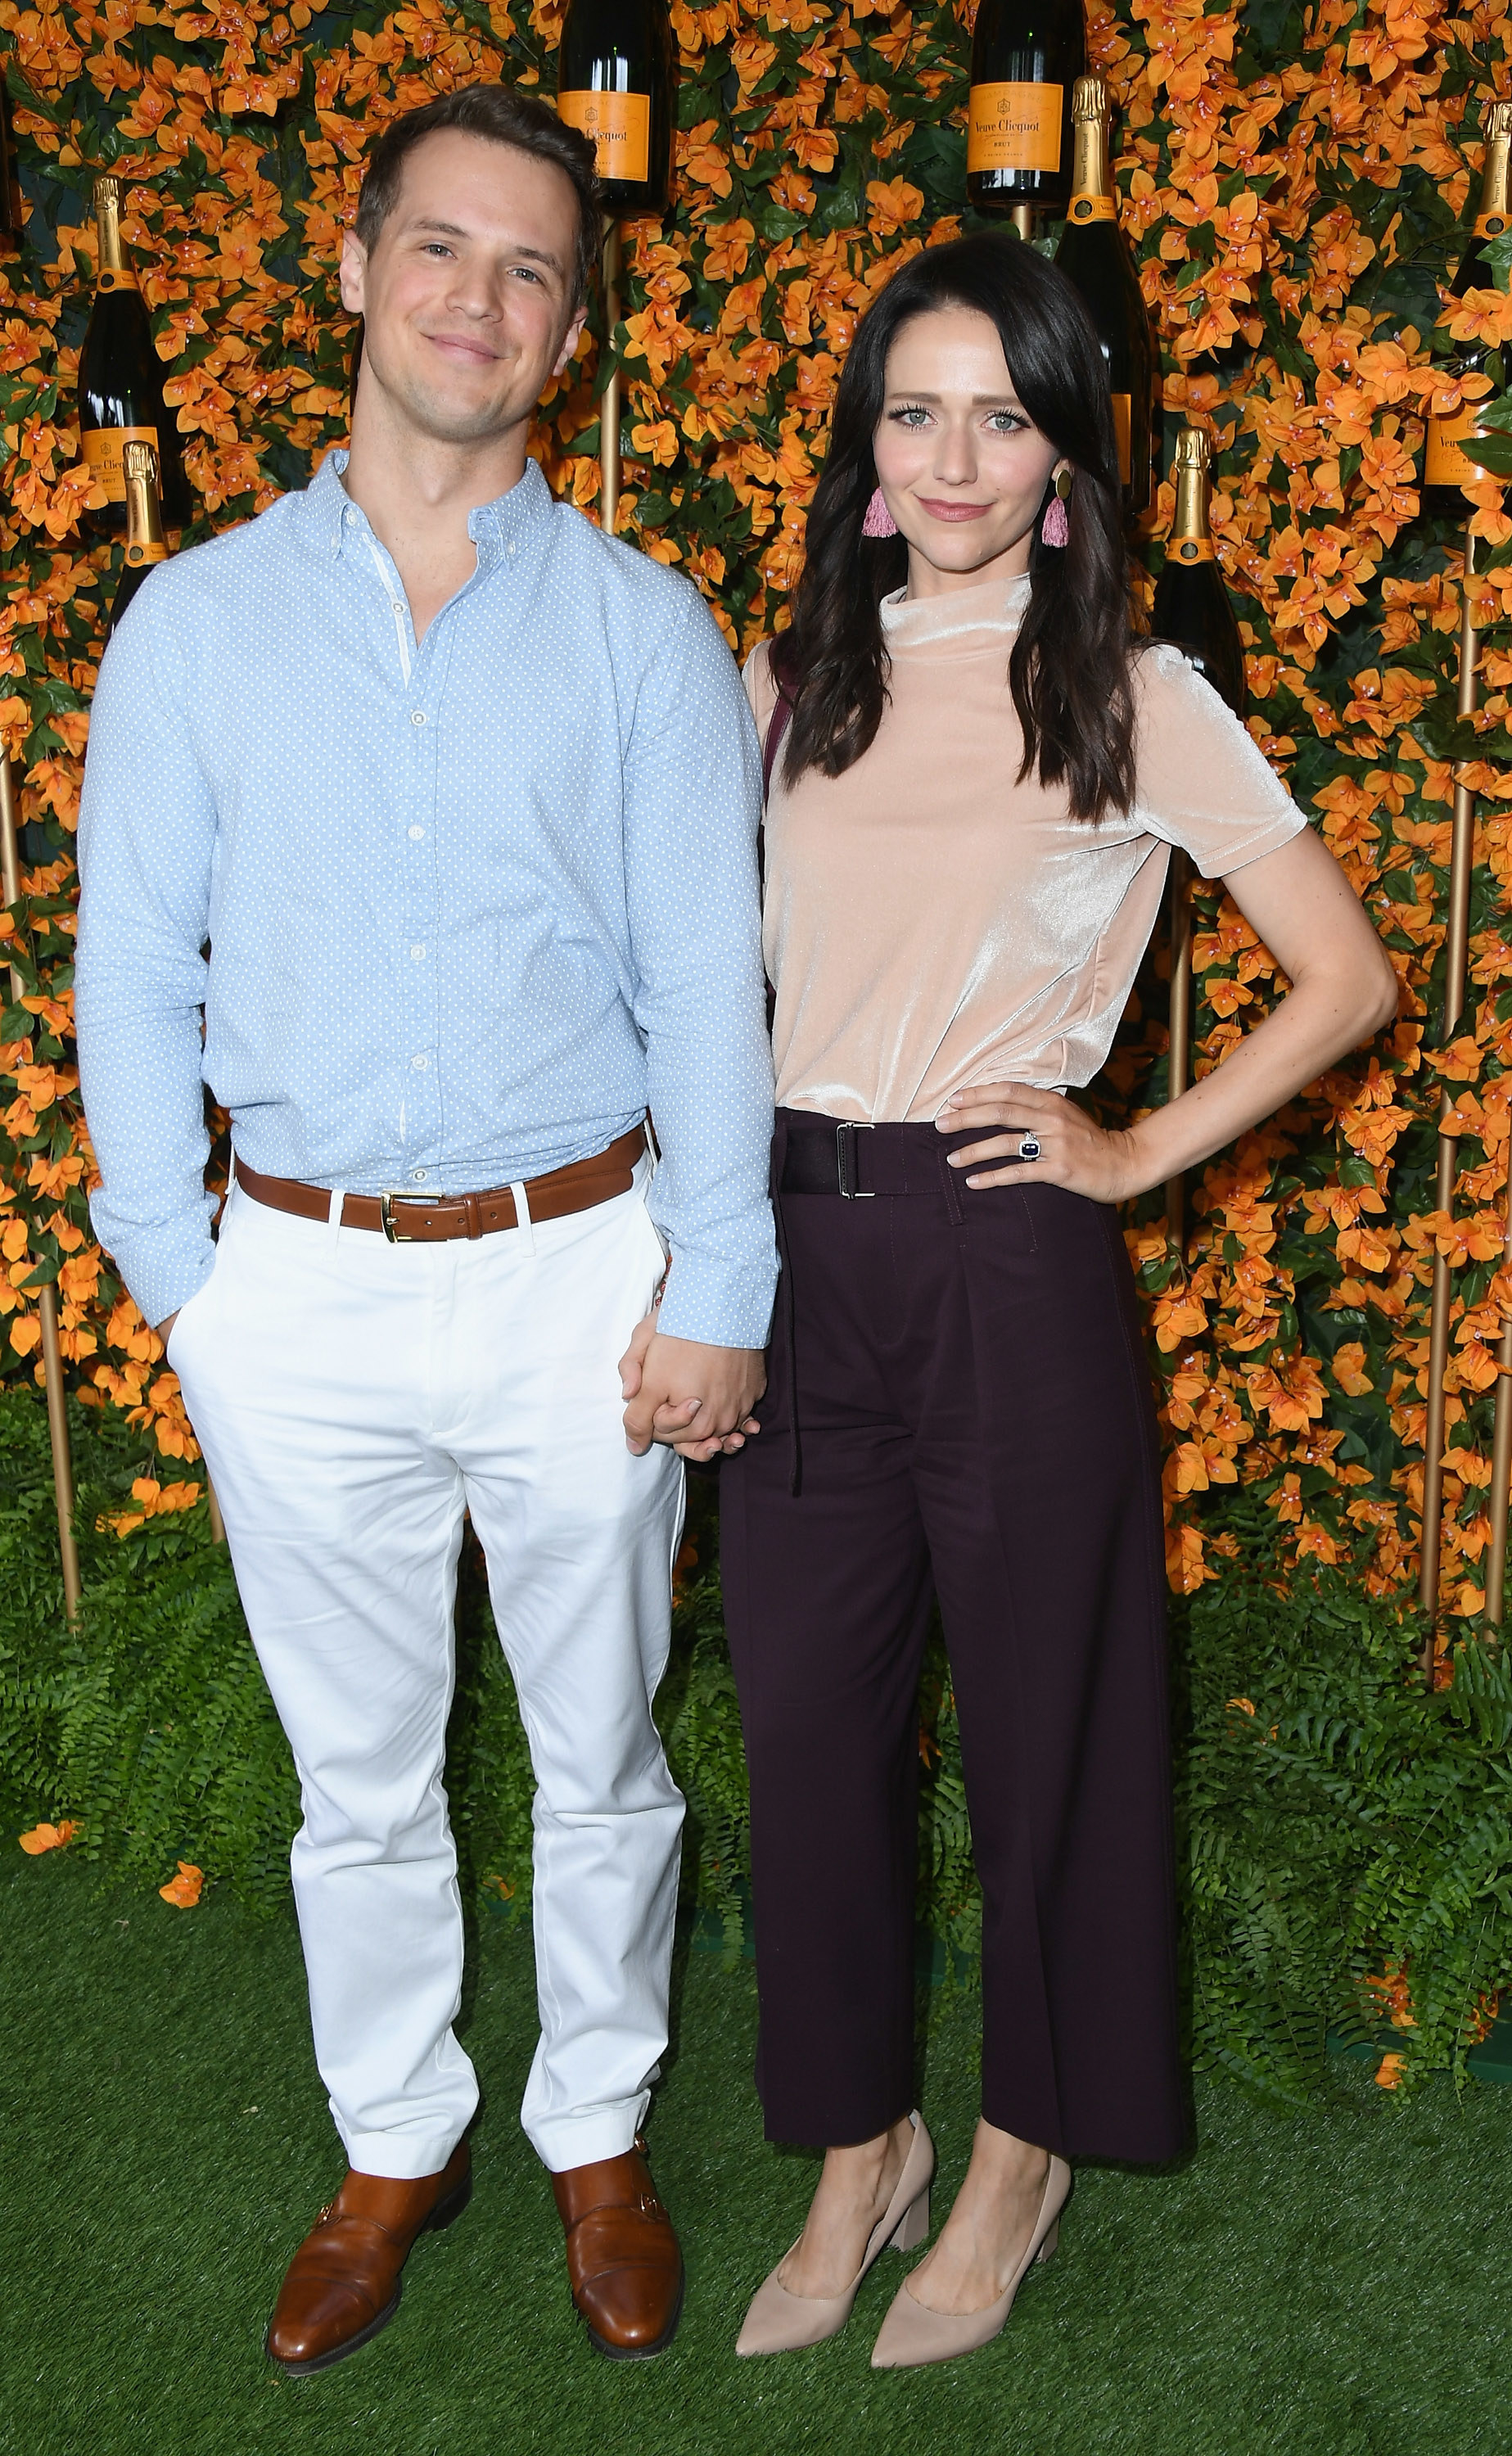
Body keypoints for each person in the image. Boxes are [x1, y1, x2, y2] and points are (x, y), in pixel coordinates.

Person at [74, 83, 776, 2374]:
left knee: (607, 1748)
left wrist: (722, 1281)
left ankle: (596, 2129)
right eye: (445, 250)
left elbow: (706, 981)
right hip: (295, 1284)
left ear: (570, 334)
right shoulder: (189, 626)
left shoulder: (648, 630)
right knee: (355, 1772)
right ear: (357, 271)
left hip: (589, 1272)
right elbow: (128, 969)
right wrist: (190, 1286)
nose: (482, 299)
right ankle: (396, 2138)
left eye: (534, 269)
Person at [718, 233, 1398, 2369]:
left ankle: (1024, 2149)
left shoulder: (1130, 689)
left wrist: (1132, 1147)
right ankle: (857, 2154)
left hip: (1007, 1258)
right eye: (912, 410)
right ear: (864, 441)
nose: (951, 454)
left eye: (999, 415)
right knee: (814, 1742)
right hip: (793, 1254)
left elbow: (1350, 976)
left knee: (1053, 1740)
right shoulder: (787, 678)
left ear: (1062, 455)